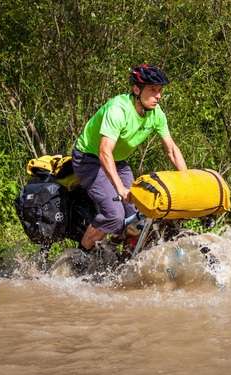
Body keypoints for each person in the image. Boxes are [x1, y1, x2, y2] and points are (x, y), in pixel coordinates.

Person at [72, 64, 187, 253]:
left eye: (160, 90)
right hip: (89, 159)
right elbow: (104, 152)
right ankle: (80, 257)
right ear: (136, 89)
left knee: (138, 215)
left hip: (117, 161)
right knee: (114, 215)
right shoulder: (118, 110)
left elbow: (172, 150)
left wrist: (187, 180)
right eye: (152, 90)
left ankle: (123, 259)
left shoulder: (156, 113)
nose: (158, 95)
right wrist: (120, 188)